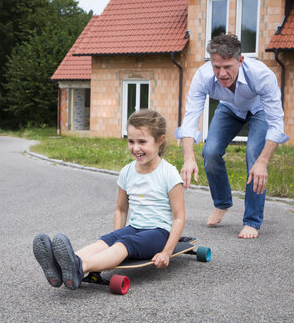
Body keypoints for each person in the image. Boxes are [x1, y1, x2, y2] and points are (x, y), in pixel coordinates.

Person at [33, 109, 185, 290]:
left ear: (160, 141)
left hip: (159, 233)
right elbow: (121, 209)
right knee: (106, 240)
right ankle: (60, 268)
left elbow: (178, 217)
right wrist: (115, 239)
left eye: (142, 142)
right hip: (134, 227)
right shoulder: (127, 172)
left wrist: (166, 252)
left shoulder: (169, 173)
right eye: (131, 141)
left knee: (124, 244)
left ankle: (79, 267)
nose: (135, 148)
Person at [175, 34, 288, 239]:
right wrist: (188, 157)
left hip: (259, 110)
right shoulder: (202, 76)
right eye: (216, 67)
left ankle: (252, 221)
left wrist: (263, 162)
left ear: (240, 60)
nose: (222, 73)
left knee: (254, 155)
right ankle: (222, 203)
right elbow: (191, 118)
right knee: (210, 152)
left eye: (227, 66)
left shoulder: (261, 75)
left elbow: (276, 123)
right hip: (228, 109)